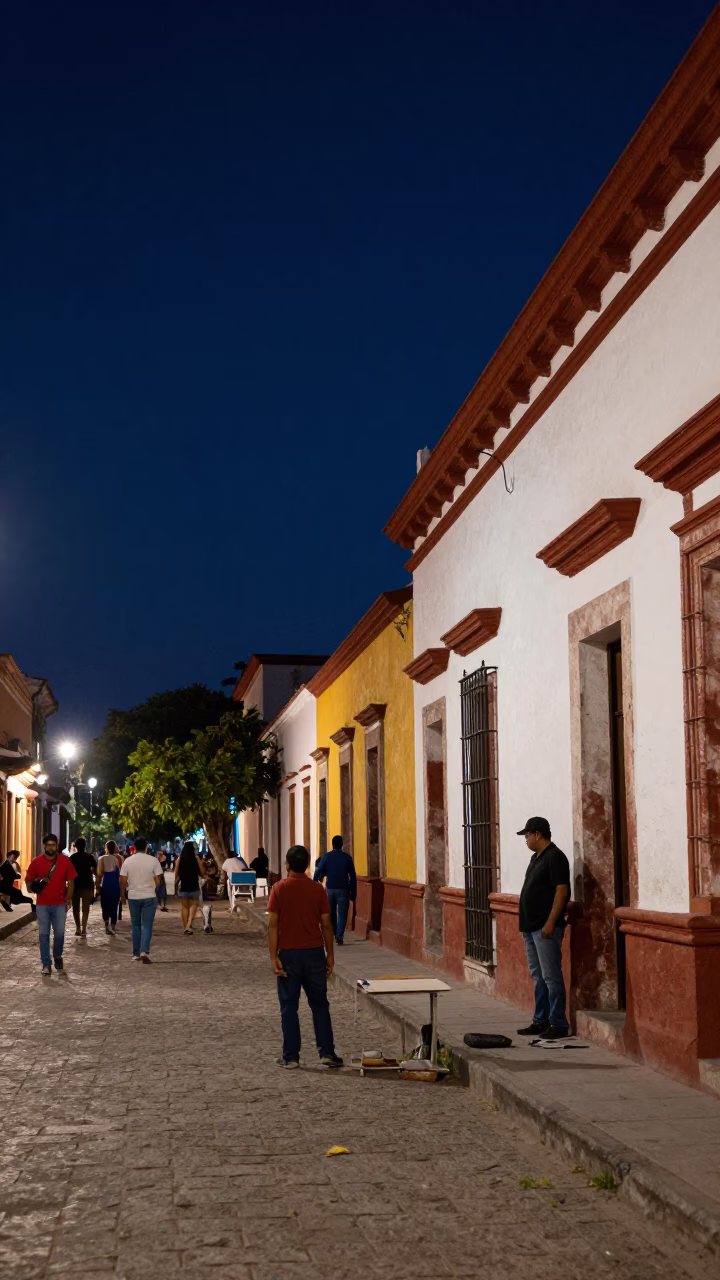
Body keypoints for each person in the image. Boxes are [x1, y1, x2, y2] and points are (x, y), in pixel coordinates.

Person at [267, 844, 342, 1070]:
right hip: (314, 954)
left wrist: (273, 957)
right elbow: (326, 924)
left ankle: (291, 1057)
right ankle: (326, 1053)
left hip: (288, 954)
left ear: (287, 865)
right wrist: (330, 954)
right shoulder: (317, 889)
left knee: (289, 1006)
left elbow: (272, 924)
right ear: (308, 865)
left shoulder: (279, 889)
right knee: (320, 1004)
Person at [516, 817, 571, 1040]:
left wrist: (550, 922)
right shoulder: (535, 858)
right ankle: (541, 1020)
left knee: (551, 976)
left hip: (545, 928)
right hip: (530, 927)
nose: (526, 840)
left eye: (527, 835)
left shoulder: (555, 858)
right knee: (538, 976)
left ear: (537, 834)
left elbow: (561, 891)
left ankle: (558, 1024)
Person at [24, 833, 77, 975]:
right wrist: (34, 885)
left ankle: (58, 955)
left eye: (53, 845)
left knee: (59, 933)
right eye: (48, 845)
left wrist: (69, 897)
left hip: (60, 903)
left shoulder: (65, 861)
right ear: (44, 846)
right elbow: (28, 881)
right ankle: (46, 964)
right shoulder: (36, 862)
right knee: (43, 934)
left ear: (57, 846)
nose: (51, 847)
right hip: (42, 904)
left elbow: (71, 880)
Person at [120, 837, 163, 963]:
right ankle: (145, 951)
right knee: (147, 925)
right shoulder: (153, 860)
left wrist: (122, 895)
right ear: (146, 847)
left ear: (134, 847)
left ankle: (136, 953)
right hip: (149, 895)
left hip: (133, 896)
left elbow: (122, 880)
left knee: (135, 925)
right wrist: (155, 886)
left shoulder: (128, 861)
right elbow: (158, 880)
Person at [313, 835, 357, 945]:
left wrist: (314, 883)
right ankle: (339, 935)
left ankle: (334, 933)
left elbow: (318, 870)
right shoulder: (347, 858)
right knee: (342, 913)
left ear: (332, 844)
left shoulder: (327, 857)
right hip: (343, 889)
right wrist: (353, 890)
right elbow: (352, 876)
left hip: (330, 889)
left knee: (331, 912)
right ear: (342, 845)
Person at [174, 842, 207, 934]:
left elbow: (176, 874)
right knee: (193, 905)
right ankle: (188, 925)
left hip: (183, 885)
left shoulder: (180, 859)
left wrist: (175, 887)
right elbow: (202, 872)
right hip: (194, 885)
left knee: (184, 907)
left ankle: (186, 927)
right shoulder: (196, 858)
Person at [70, 837, 96, 938]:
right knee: (86, 908)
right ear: (85, 846)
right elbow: (94, 870)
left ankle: (77, 928)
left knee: (75, 908)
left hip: (75, 885)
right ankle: (84, 928)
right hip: (87, 884)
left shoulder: (72, 858)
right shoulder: (89, 857)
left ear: (75, 846)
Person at [96, 840, 122, 934]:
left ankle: (107, 924)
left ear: (106, 848)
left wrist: (97, 888)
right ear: (115, 848)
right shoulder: (120, 858)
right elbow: (122, 874)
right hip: (116, 885)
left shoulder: (101, 859)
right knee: (115, 905)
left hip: (106, 884)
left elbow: (99, 875)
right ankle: (113, 925)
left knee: (105, 904)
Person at [155, 846, 169, 912]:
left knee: (162, 888)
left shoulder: (165, 857)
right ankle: (159, 903)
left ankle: (163, 904)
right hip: (157, 875)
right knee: (158, 888)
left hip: (161, 875)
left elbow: (166, 866)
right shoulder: (156, 858)